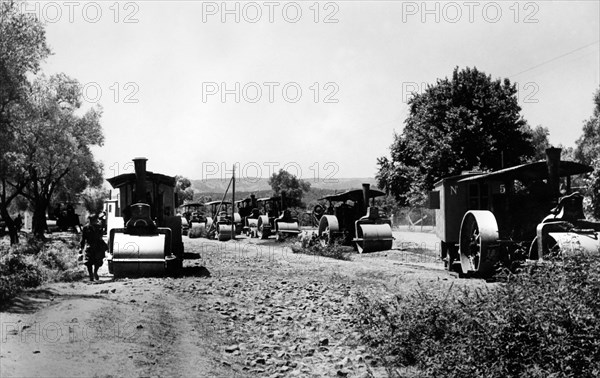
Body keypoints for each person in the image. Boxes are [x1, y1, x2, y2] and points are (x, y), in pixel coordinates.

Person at [80, 214, 108, 282]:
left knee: (98, 262)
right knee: (88, 262)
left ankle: (95, 272)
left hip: (98, 246)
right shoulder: (85, 228)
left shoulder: (99, 227)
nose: (92, 221)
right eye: (91, 220)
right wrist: (81, 248)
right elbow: (83, 238)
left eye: (94, 220)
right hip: (89, 246)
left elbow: (101, 235)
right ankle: (91, 275)